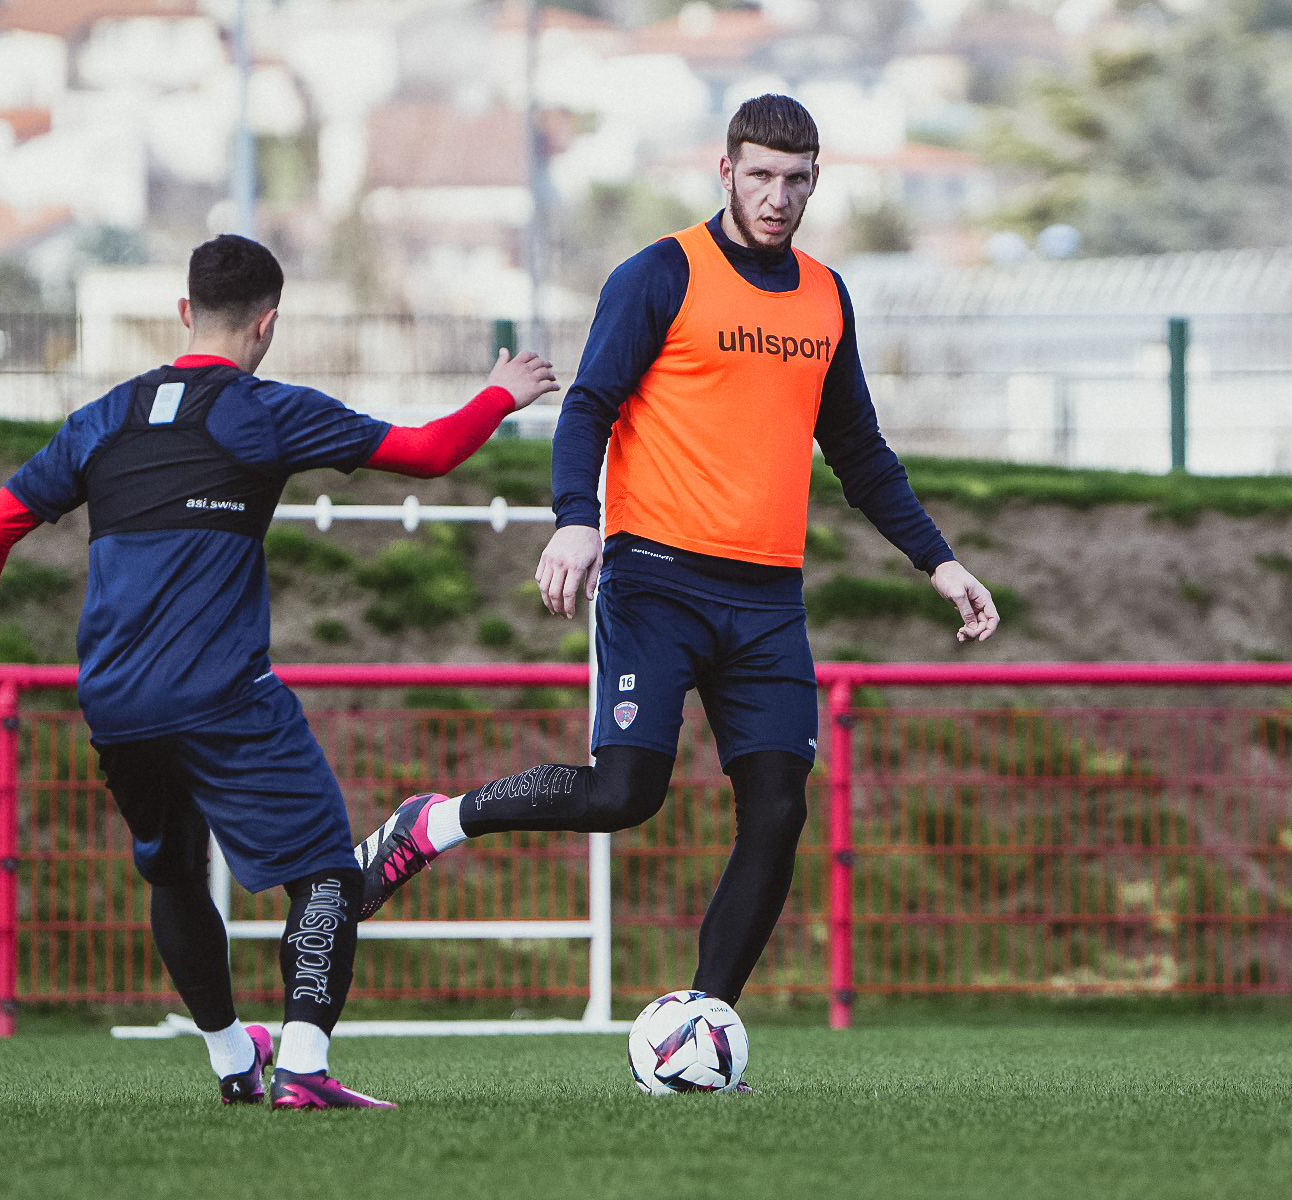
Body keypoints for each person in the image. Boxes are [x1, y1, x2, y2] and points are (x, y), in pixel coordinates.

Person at [353, 95, 999, 1030]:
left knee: (778, 813)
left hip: (769, 601)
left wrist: (939, 562)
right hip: (656, 579)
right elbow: (588, 409)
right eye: (761, 175)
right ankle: (434, 823)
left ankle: (701, 1024)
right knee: (624, 794)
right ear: (726, 173)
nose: (777, 197)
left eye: (796, 179)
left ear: (817, 180)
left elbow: (859, 451)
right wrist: (578, 521)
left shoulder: (826, 297)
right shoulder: (660, 274)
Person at [0, 235, 558, 1109]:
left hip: (116, 699)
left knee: (174, 873)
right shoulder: (266, 410)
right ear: (268, 323)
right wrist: (501, 393)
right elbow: (430, 452)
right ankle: (300, 1063)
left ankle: (232, 1061)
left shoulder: (102, 418)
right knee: (330, 871)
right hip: (221, 694)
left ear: (186, 313)